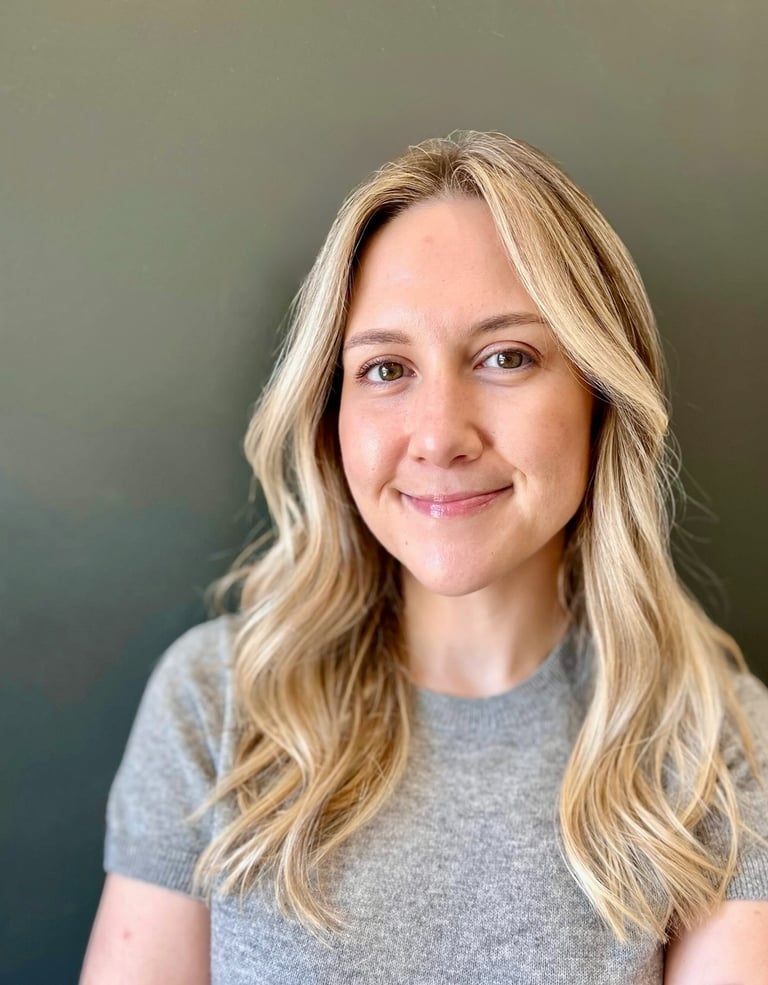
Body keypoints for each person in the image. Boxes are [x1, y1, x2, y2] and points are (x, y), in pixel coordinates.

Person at [80, 131, 768, 984]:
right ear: (331, 414)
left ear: (600, 393)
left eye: (506, 356)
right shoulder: (216, 704)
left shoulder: (718, 744)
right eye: (385, 369)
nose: (440, 435)